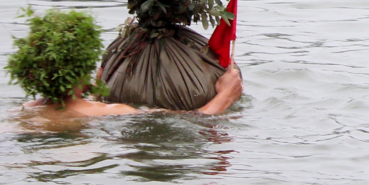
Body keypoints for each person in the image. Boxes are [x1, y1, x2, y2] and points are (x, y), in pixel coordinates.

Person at [22, 64, 242, 120]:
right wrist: (225, 96)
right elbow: (195, 119)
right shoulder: (113, 111)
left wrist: (96, 93)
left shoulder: (25, 110)